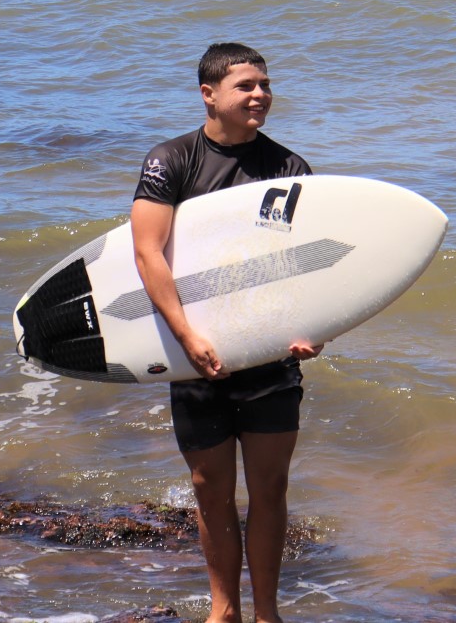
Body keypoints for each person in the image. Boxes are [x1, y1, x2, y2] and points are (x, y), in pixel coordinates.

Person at [130, 42, 322, 623]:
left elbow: (307, 265)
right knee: (210, 492)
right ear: (209, 94)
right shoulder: (173, 161)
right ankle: (224, 610)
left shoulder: (289, 169)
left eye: (265, 84)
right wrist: (187, 337)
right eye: (246, 85)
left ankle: (267, 614)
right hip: (195, 354)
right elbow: (147, 253)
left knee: (270, 491)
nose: (260, 94)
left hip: (267, 355)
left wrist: (314, 330)